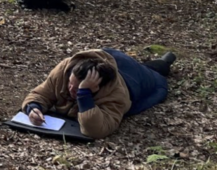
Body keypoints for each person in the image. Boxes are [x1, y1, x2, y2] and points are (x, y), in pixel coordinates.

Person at [21, 48, 175, 139]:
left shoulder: (116, 94)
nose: (70, 90)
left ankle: (166, 60)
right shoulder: (66, 68)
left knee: (156, 72)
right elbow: (41, 92)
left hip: (135, 78)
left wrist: (83, 95)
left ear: (96, 88)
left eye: (76, 89)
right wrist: (34, 107)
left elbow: (97, 130)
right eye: (70, 84)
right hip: (107, 58)